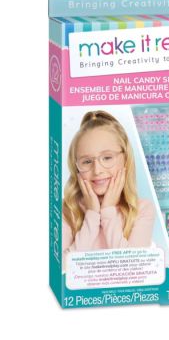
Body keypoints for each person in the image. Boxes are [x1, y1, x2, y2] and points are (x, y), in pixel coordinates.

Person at [62, 110, 155, 269]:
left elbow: (133, 267)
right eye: (87, 161)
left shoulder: (142, 210)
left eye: (107, 158)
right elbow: (62, 269)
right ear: (76, 167)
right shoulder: (66, 210)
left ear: (125, 159)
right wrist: (92, 215)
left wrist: (108, 211)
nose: (97, 170)